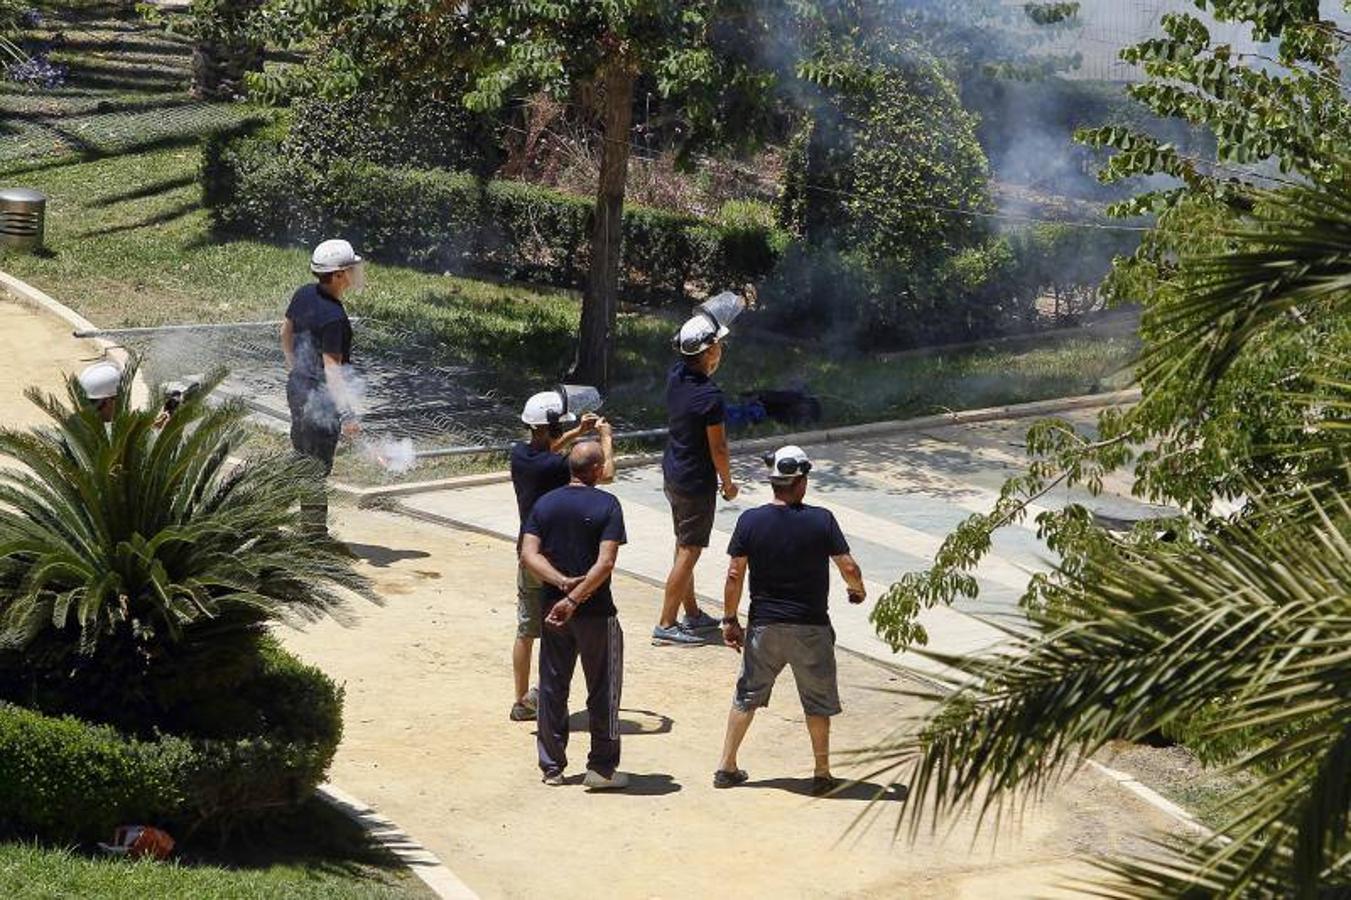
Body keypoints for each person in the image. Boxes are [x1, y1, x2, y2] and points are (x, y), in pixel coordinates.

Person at [714, 445, 866, 795]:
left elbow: (735, 575)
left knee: (746, 696)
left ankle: (726, 766)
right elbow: (850, 568)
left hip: (764, 627)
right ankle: (822, 773)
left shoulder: (749, 520)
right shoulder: (821, 519)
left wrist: (729, 620)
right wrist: (856, 591)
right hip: (811, 627)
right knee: (816, 703)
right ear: (799, 481)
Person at [520, 441, 629, 789]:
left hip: (553, 611)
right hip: (596, 613)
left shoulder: (545, 503)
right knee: (604, 690)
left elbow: (529, 555)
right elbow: (606, 563)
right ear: (596, 470)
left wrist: (561, 586)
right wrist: (577, 597)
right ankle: (601, 768)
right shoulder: (608, 504)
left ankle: (552, 767)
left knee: (552, 686)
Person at [509, 390, 614, 722]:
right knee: (560, 629)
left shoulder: (520, 456)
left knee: (526, 629)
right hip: (558, 559)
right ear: (551, 429)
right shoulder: (556, 467)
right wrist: (604, 438)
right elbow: (604, 473)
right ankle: (550, 695)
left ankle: (521, 699)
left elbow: (548, 448)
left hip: (528, 554)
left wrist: (574, 432)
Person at [653, 312, 739, 645]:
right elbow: (718, 447)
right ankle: (666, 623)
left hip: (673, 472)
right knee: (690, 550)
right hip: (695, 481)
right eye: (718, 344)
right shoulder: (710, 397)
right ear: (708, 352)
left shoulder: (676, 376)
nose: (721, 349)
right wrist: (728, 484)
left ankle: (690, 614)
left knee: (682, 543)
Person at [281, 239, 365, 536]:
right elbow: (333, 369)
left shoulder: (303, 293)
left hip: (297, 390)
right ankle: (313, 536)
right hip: (320, 401)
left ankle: (272, 514)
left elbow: (286, 332)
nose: (356, 273)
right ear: (340, 273)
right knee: (313, 469)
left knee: (302, 458)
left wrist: (295, 371)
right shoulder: (334, 317)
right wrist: (348, 414)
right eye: (351, 268)